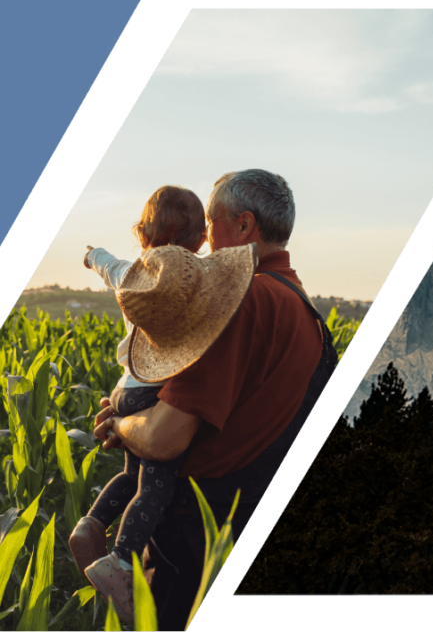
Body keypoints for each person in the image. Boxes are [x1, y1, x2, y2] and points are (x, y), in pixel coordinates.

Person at [91, 169, 338, 630]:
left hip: (193, 542)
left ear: (244, 227)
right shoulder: (305, 312)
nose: (203, 237)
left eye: (212, 221)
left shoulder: (241, 301)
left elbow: (164, 438)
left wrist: (120, 426)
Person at [69, 185, 245, 626]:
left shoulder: (131, 276)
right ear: (200, 242)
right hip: (157, 390)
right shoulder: (192, 283)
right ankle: (123, 560)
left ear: (144, 233)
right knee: (156, 486)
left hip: (127, 386)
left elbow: (107, 264)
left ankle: (90, 525)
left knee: (130, 477)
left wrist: (93, 255)